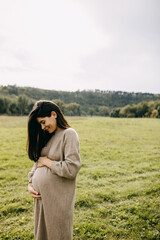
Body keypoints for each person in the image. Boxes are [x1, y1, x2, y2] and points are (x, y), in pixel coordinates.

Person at [27, 100, 81, 240]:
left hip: (58, 200)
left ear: (53, 114)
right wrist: (31, 183)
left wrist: (48, 162)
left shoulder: (69, 134)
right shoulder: (48, 136)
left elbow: (72, 168)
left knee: (58, 234)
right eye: (40, 124)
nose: (43, 127)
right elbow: (38, 162)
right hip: (42, 199)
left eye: (44, 122)